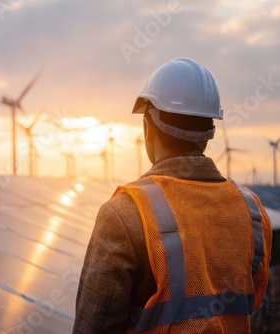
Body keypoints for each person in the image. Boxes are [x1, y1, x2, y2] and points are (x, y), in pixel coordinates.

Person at [73, 57, 272, 333]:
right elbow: (253, 298)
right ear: (209, 132)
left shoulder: (125, 215)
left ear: (147, 126)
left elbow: (93, 327)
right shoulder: (252, 212)